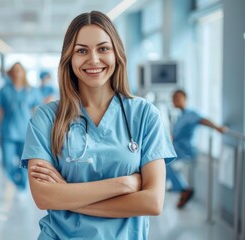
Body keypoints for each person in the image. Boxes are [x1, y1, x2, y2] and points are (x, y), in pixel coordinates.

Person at [20, 11, 176, 240]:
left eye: (103, 49)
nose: (93, 59)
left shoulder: (144, 115)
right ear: (68, 58)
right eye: (81, 50)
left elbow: (152, 202)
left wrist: (67, 198)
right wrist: (124, 183)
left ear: (117, 54)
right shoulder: (46, 118)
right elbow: (44, 198)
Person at [167, 89, 227, 208]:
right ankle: (180, 188)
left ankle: (183, 189)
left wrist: (217, 128)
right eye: (173, 98)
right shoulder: (180, 115)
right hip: (177, 148)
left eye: (177, 98)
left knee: (165, 163)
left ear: (185, 99)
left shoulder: (191, 114)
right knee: (162, 162)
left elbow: (203, 120)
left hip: (186, 150)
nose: (174, 101)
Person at [0, 62, 41, 191]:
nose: (17, 72)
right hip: (7, 132)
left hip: (26, 133)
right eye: (14, 70)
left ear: (24, 73)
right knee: (7, 164)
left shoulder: (31, 90)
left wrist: (38, 133)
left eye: (19, 70)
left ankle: (22, 186)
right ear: (10, 73)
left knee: (25, 164)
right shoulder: (4, 90)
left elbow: (36, 112)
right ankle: (18, 182)